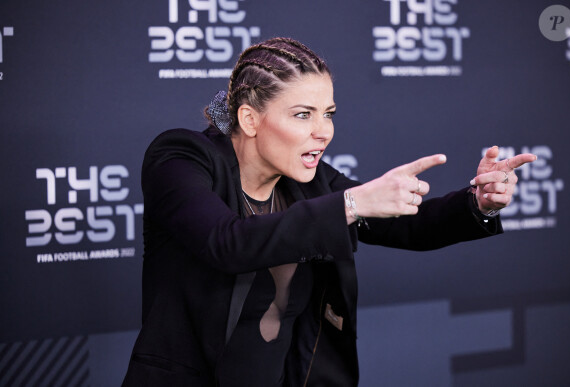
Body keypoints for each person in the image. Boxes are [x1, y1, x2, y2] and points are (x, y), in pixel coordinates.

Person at [122, 37, 536, 387]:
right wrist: (353, 204)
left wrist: (477, 204)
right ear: (249, 119)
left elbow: (410, 227)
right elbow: (226, 243)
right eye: (303, 115)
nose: (323, 131)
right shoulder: (181, 156)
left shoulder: (310, 181)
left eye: (328, 114)